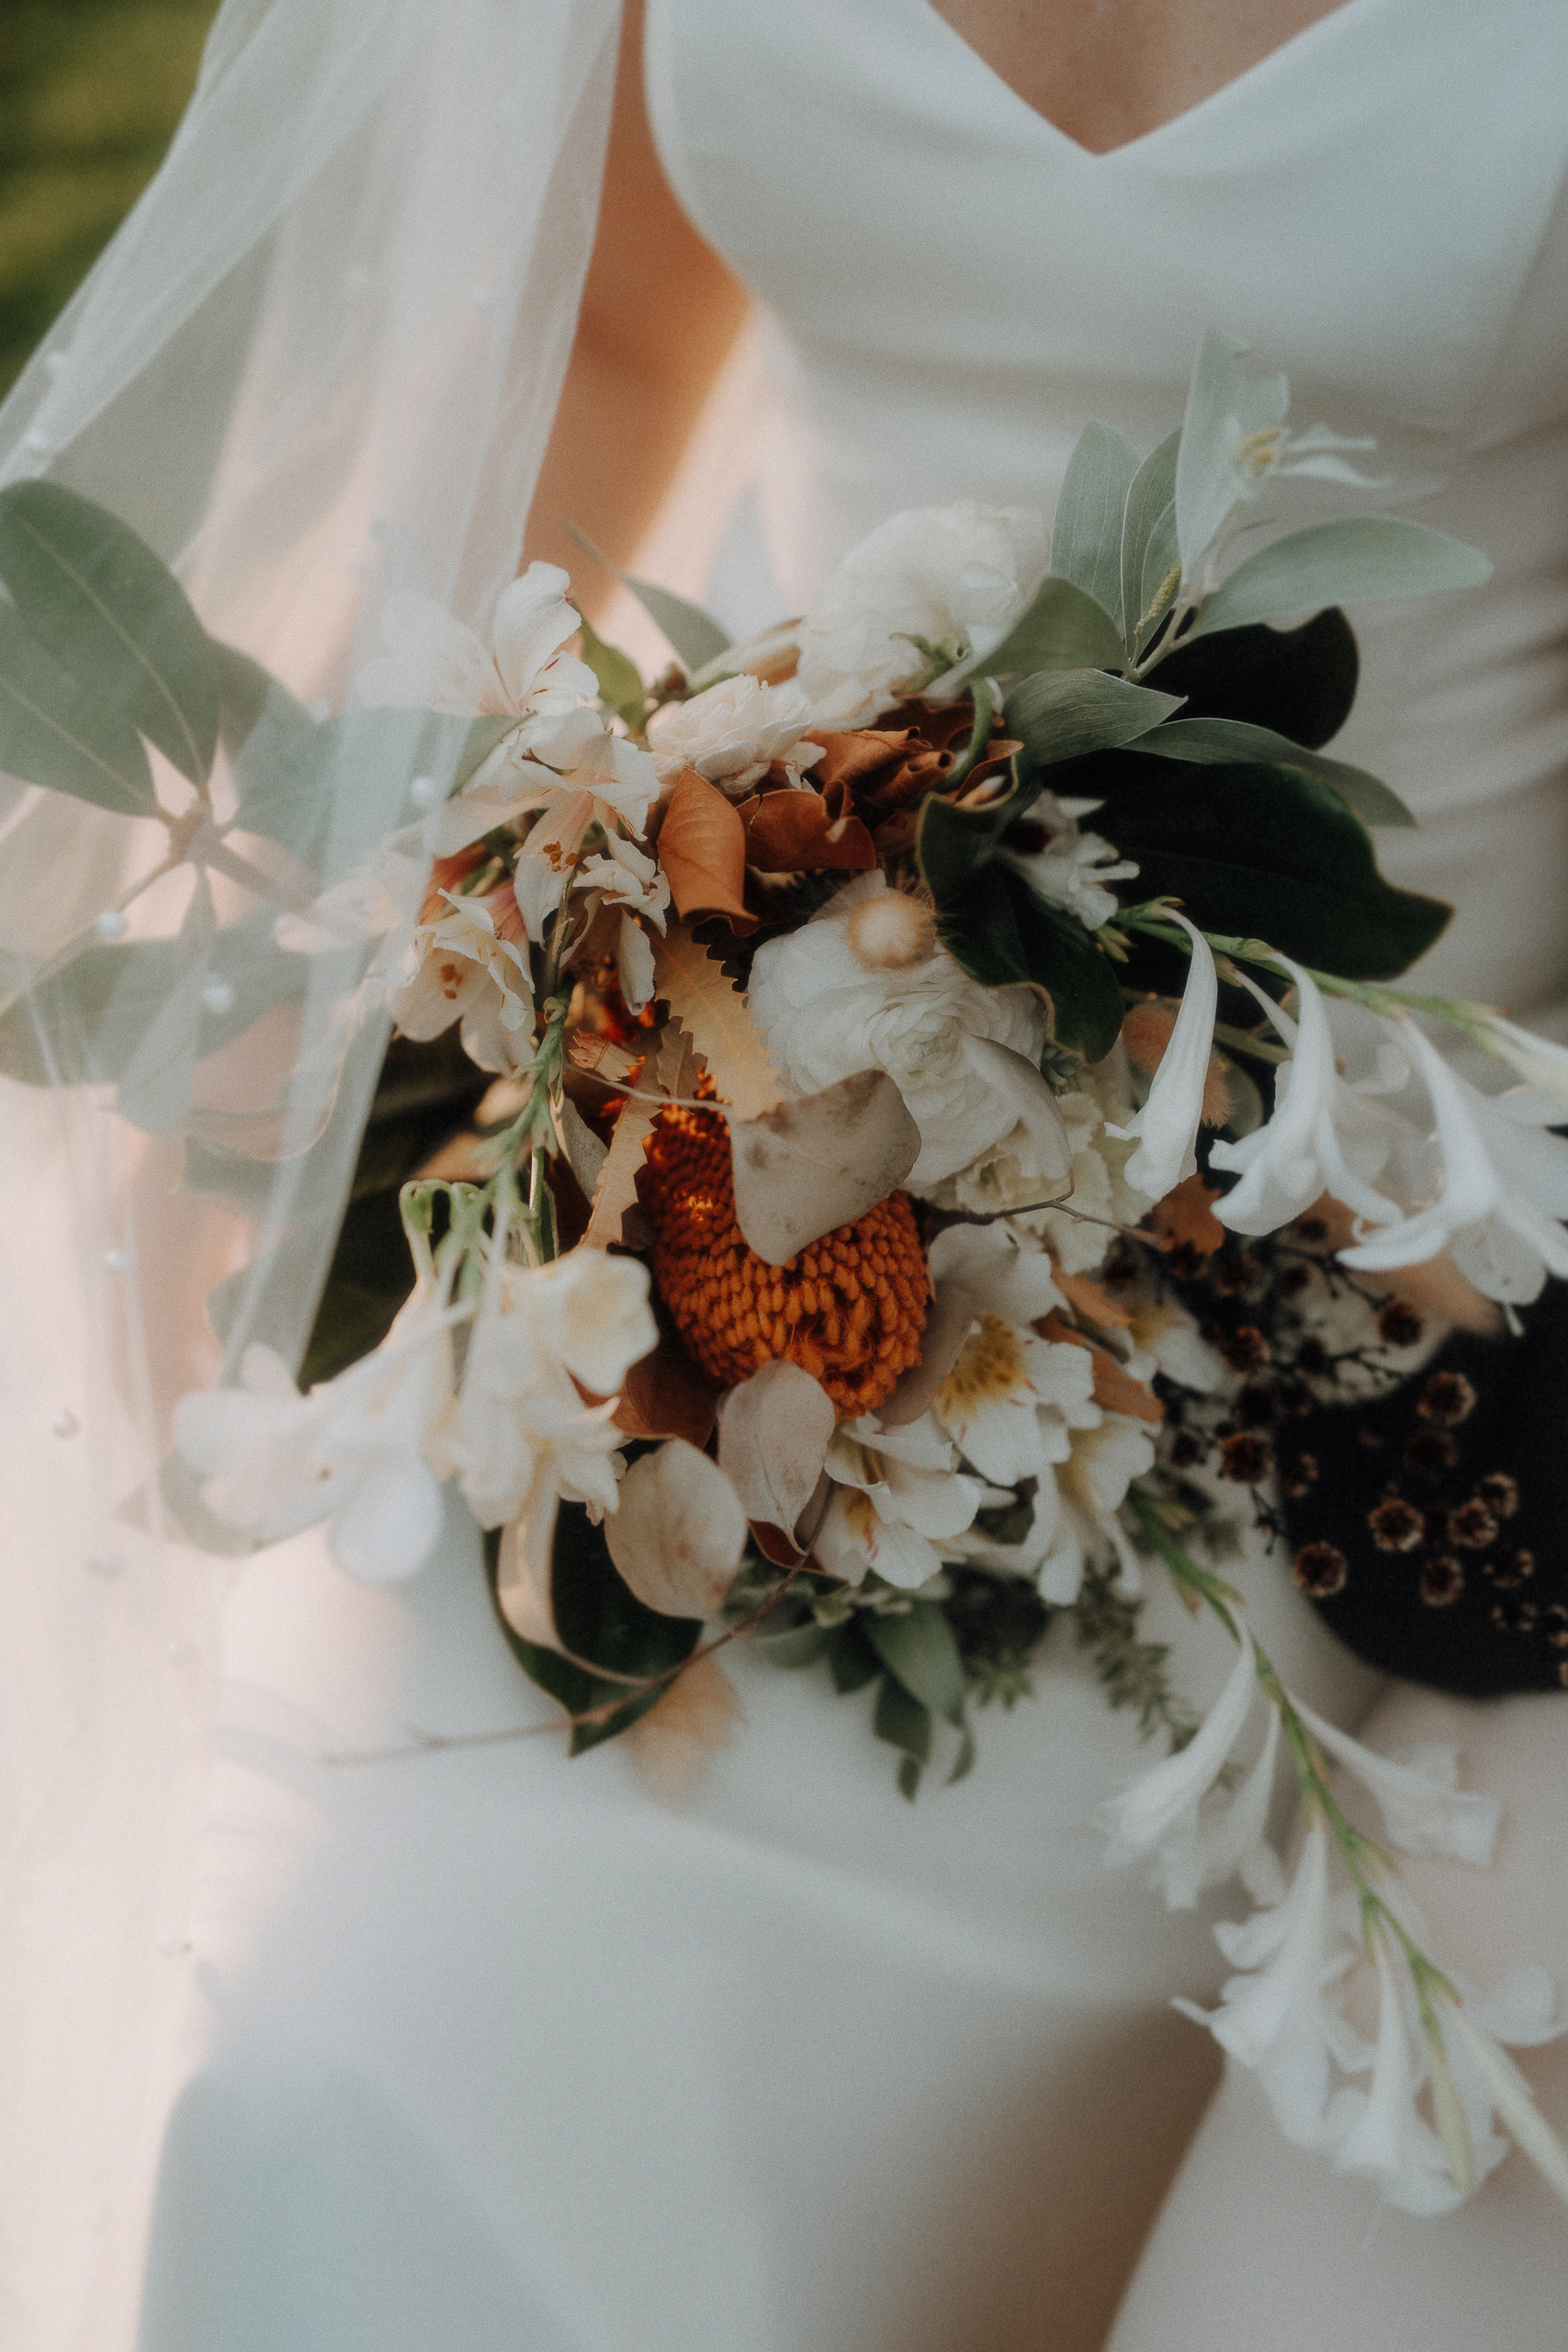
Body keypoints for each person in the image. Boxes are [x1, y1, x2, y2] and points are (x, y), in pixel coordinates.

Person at [1, 4, 1563, 2347]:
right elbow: (614, 337)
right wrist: (470, 902)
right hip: (691, 1233)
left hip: (1413, 1384)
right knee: (353, 2083)